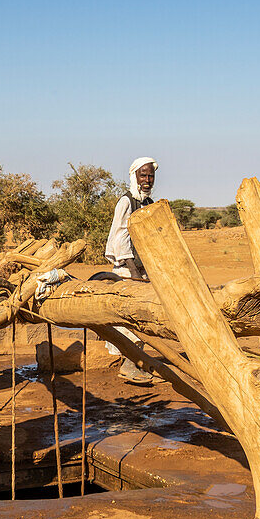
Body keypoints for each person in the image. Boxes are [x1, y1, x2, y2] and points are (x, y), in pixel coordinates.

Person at [103, 157, 158, 385]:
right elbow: (120, 237)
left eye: (150, 176)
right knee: (131, 317)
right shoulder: (126, 202)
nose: (147, 180)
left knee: (141, 317)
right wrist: (134, 271)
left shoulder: (148, 202)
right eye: (143, 175)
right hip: (128, 270)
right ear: (134, 176)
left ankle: (136, 363)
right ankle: (129, 365)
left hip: (142, 269)